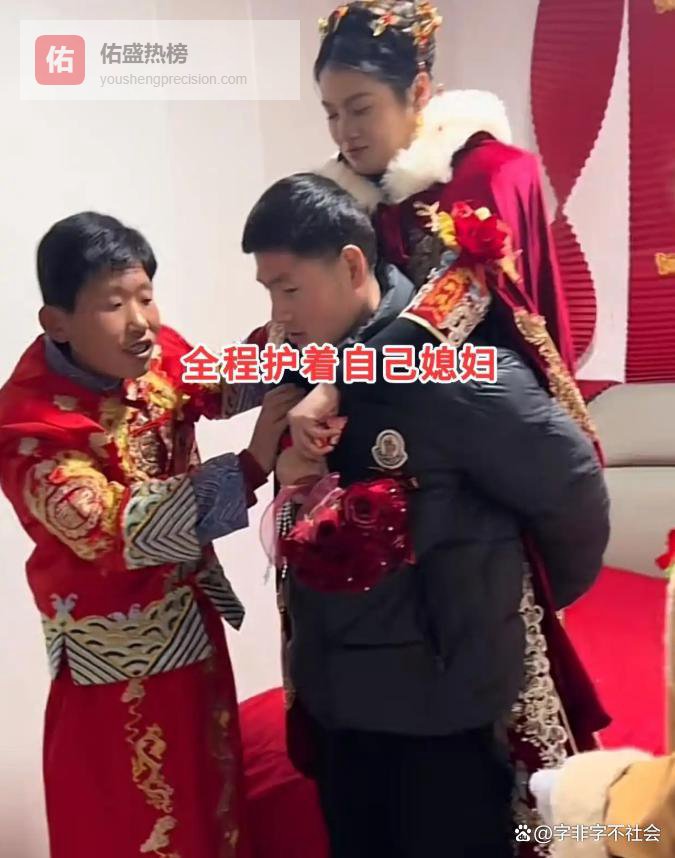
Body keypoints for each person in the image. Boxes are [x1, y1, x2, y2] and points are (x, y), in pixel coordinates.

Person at [241, 173, 610, 857]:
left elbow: (574, 494)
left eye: (288, 289)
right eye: (267, 292)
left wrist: (510, 609)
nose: (279, 314)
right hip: (336, 707)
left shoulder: (455, 372)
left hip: (441, 715)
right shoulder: (300, 373)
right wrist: (288, 479)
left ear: (352, 265)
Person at [0, 212, 302, 858]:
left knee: (215, 807)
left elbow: (217, 384)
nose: (141, 321)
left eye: (146, 296)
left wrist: (296, 329)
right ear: (57, 322)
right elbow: (117, 529)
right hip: (114, 679)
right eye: (114, 305)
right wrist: (252, 463)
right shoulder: (30, 429)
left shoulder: (150, 354)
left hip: (194, 636)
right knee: (140, 831)